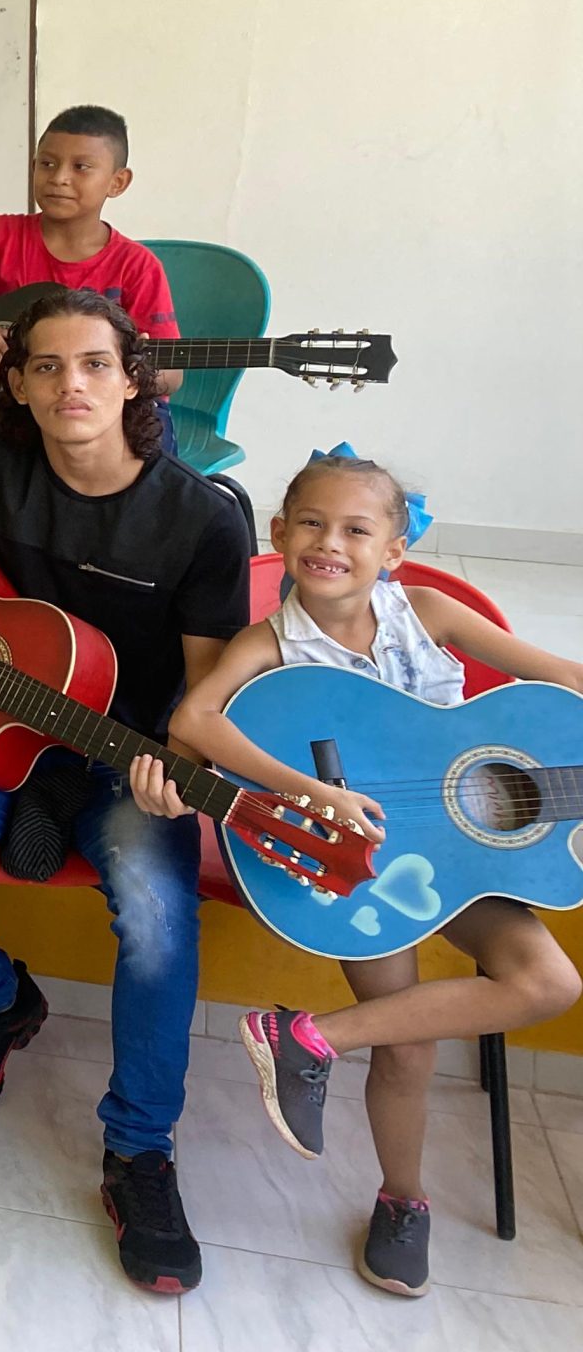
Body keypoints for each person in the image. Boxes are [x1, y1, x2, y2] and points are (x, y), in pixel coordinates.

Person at [0, 287, 249, 1293]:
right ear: (18, 386)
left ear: (134, 381)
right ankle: (0, 1002)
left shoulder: (200, 519)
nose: (72, 385)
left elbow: (203, 699)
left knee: (157, 916)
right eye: (47, 366)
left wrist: (179, 773)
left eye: (95, 364)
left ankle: (139, 1151)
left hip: (126, 748)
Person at [129, 451, 583, 1299]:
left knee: (551, 981)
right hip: (354, 869)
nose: (329, 543)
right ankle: (404, 1201)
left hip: (462, 858)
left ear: (394, 551)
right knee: (407, 1044)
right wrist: (314, 794)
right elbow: (194, 719)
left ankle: (310, 1039)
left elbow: (559, 677)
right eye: (311, 523)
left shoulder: (429, 613)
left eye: (355, 530)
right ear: (279, 532)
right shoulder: (269, 642)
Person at [0, 103, 185, 419]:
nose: (59, 178)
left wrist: (120, 371)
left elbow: (172, 377)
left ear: (117, 182)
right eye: (48, 164)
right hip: (3, 411)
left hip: (92, 415)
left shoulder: (137, 266)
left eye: (80, 167)